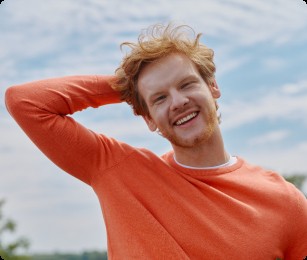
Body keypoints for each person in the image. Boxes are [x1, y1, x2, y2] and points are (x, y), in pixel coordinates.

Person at [5, 23, 307, 259]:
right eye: (160, 98)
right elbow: (25, 102)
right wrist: (128, 85)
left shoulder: (285, 201)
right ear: (148, 119)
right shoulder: (117, 170)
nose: (177, 102)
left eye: (187, 84)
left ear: (213, 86)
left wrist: (149, 88)